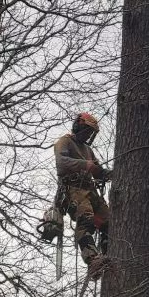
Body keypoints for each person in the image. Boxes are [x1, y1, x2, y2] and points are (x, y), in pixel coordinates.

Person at [54, 113, 112, 279]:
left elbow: (98, 172)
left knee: (108, 222)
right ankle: (92, 259)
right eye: (86, 130)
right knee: (86, 220)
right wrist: (84, 165)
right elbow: (61, 162)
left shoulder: (88, 150)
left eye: (90, 133)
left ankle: (108, 253)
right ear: (78, 125)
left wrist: (111, 173)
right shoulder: (65, 141)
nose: (87, 135)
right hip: (73, 189)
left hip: (90, 190)